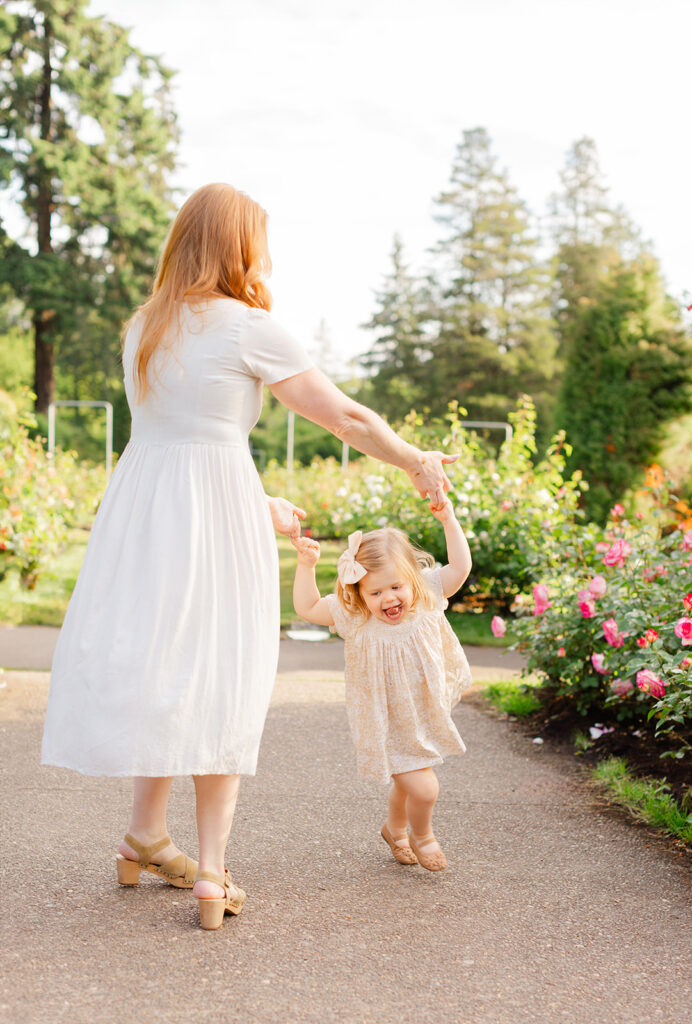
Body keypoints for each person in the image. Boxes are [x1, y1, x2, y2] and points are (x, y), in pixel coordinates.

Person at [40, 182, 458, 929]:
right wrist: (413, 461)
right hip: (212, 506)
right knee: (223, 673)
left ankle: (143, 835)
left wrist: (256, 503)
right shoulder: (246, 327)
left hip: (142, 508)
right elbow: (348, 417)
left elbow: (175, 435)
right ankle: (211, 870)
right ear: (239, 247)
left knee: (165, 665)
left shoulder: (145, 326)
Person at [291, 499, 473, 871]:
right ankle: (424, 837)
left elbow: (461, 567)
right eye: (375, 593)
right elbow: (308, 608)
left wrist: (449, 520)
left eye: (395, 586)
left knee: (407, 783)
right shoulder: (356, 617)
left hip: (422, 714)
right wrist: (306, 566)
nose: (389, 598)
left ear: (412, 577)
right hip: (386, 720)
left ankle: (395, 829)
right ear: (359, 594)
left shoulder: (427, 594)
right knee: (425, 787)